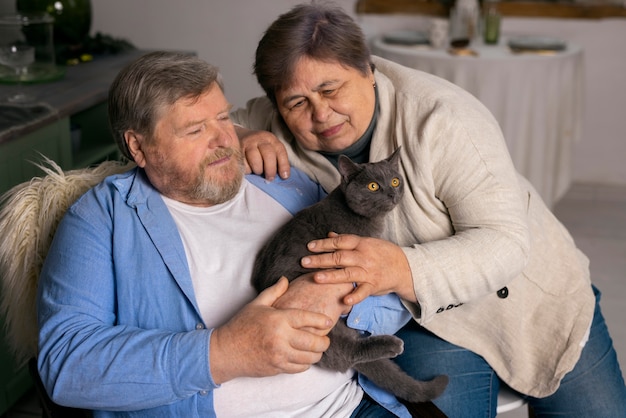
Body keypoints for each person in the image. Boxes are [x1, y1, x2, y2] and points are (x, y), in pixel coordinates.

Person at [232, 3, 626, 417]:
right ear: (277, 105)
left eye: (331, 90)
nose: (320, 113)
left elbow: (505, 242)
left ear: (368, 69)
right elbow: (211, 120)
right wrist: (242, 135)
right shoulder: (272, 121)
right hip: (426, 323)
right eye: (297, 103)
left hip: (529, 301)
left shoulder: (445, 117)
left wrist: (400, 268)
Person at [35, 51, 419, 417]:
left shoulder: (285, 183)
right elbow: (66, 364)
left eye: (223, 117)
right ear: (138, 146)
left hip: (350, 407)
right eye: (196, 129)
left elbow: (390, 294)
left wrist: (337, 297)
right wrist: (223, 352)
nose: (223, 139)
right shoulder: (101, 218)